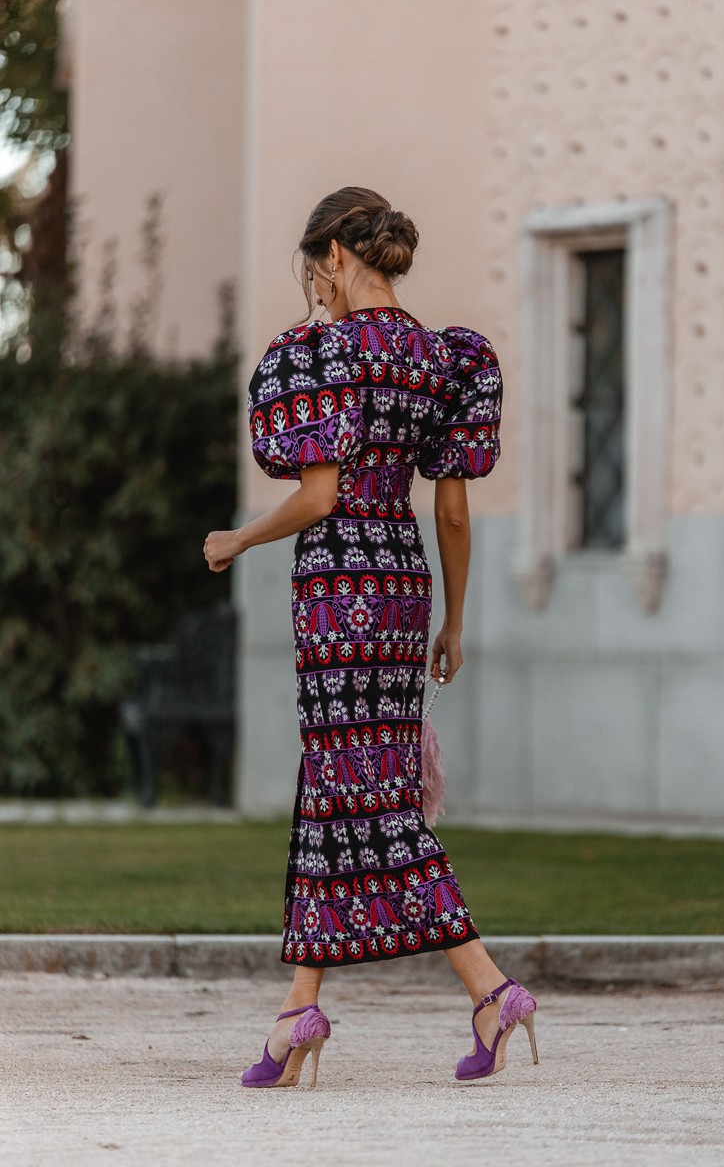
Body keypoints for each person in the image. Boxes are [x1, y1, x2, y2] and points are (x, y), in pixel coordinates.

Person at [204, 186, 538, 1088]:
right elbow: (456, 511)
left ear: (338, 258)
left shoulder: (318, 356)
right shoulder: (445, 358)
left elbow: (317, 497)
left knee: (371, 789)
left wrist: (237, 539)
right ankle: (295, 1012)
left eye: (317, 270)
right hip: (403, 579)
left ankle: (489, 986)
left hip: (339, 580)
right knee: (337, 778)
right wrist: (455, 620)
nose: (316, 286)